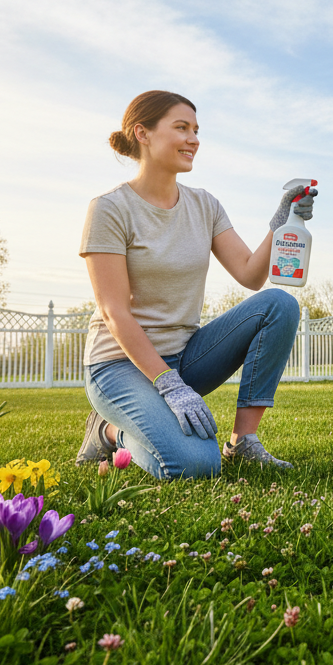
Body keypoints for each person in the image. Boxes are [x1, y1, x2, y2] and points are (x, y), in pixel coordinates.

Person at [75, 90, 315, 480]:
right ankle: (108, 431)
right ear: (143, 133)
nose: (194, 139)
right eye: (182, 128)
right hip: (119, 365)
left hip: (185, 356)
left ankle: (243, 442)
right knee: (195, 465)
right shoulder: (110, 208)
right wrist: (168, 384)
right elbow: (113, 311)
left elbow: (251, 275)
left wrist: (282, 221)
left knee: (279, 304)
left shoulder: (205, 205)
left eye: (196, 131)